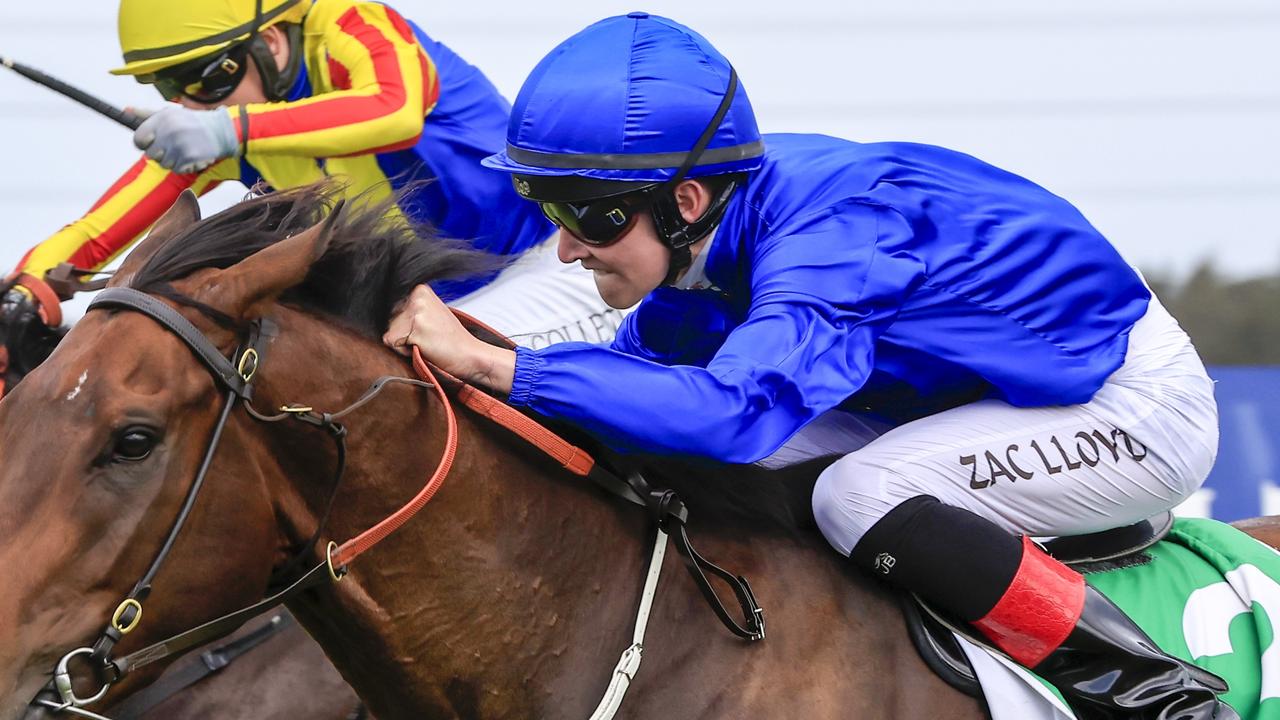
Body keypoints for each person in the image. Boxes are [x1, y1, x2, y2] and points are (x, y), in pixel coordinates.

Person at [384, 12, 1236, 719]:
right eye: (546, 209)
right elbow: (638, 387)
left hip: (1126, 402)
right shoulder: (709, 227)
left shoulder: (831, 238)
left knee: (856, 494)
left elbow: (732, 410)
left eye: (588, 217)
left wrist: (502, 371)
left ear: (682, 202)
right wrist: (487, 355)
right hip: (968, 395)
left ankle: (1155, 693)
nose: (565, 249)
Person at [3, 0, 626, 380]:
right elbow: (94, 232)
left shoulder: (354, 25)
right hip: (426, 306)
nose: (189, 105)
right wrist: (29, 291)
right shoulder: (226, 128)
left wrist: (229, 128)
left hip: (552, 264)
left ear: (270, 41)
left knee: (424, 369)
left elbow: (396, 108)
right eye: (169, 88)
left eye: (204, 78)